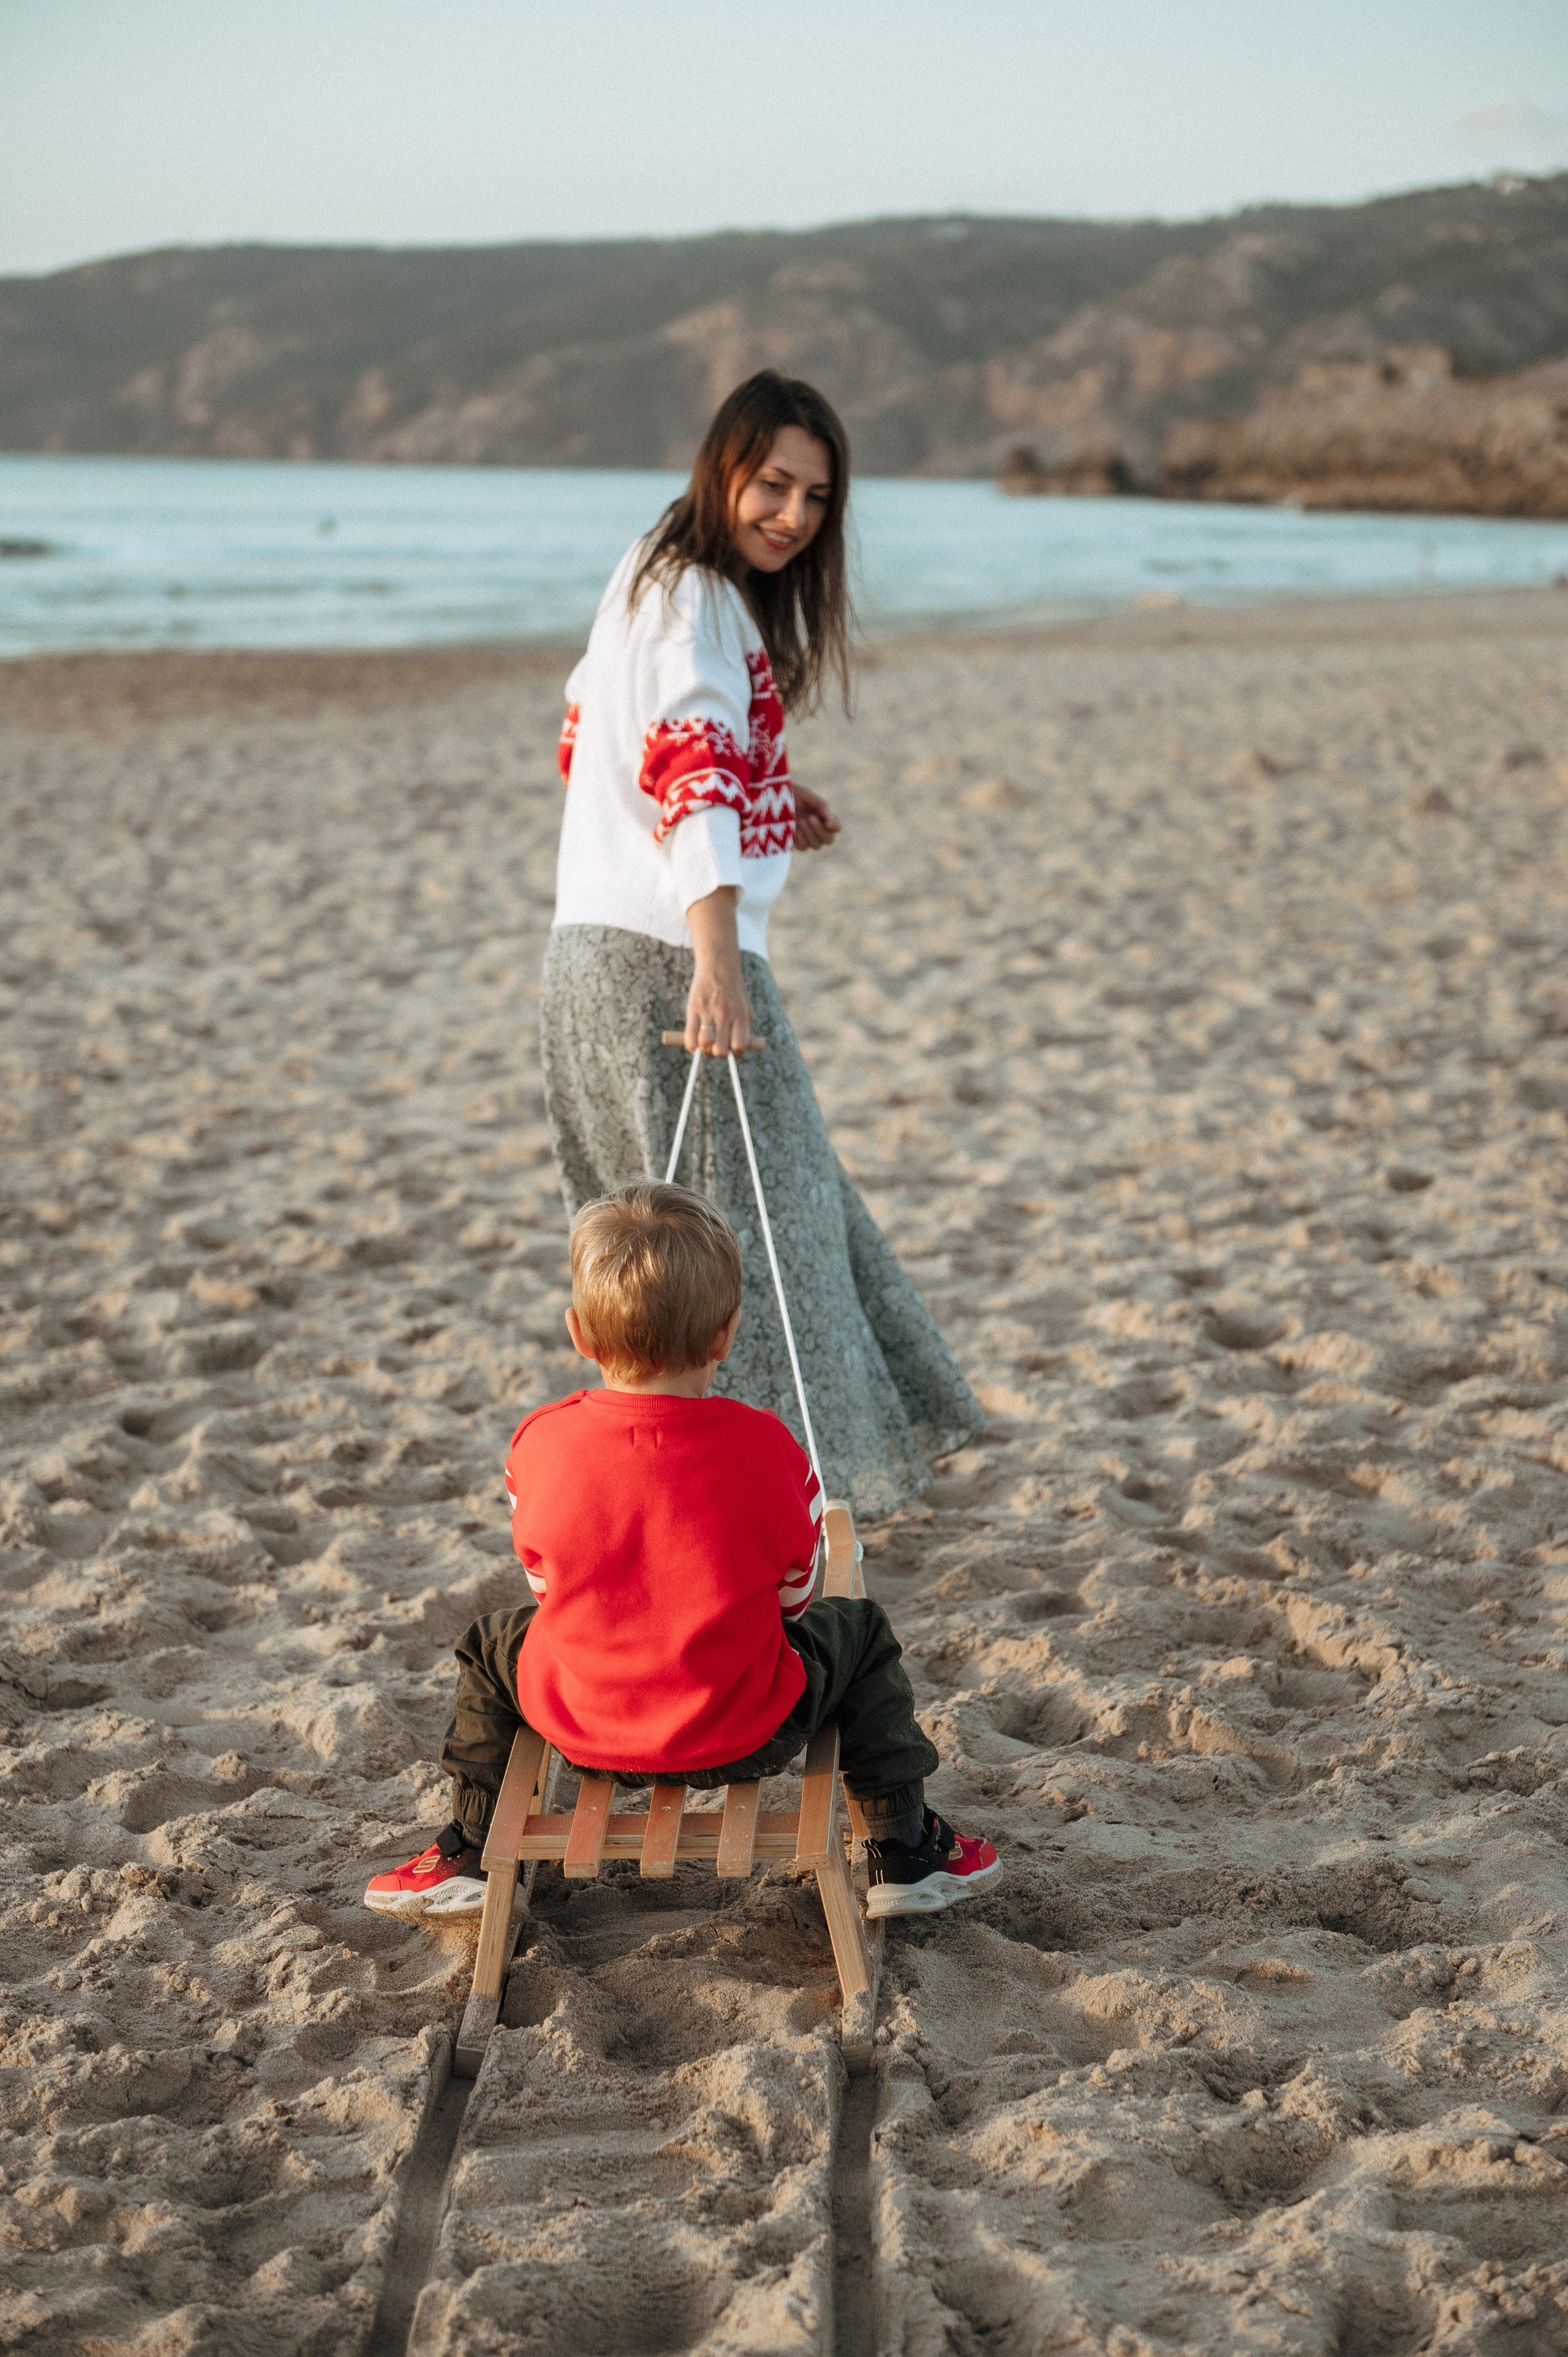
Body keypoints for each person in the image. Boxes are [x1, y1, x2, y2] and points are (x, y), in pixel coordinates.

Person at [541, 368, 982, 1517]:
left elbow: (590, 735)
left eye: (817, 497)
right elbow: (684, 773)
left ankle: (671, 1499)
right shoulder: (698, 599)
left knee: (668, 1259)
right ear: (723, 469)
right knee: (761, 1243)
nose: (792, 515)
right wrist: (719, 952)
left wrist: (773, 793)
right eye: (772, 484)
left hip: (585, 956)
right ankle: (776, 1503)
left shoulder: (648, 571)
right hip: (664, 962)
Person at [364, 1185, 1000, 1923]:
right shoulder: (768, 1447)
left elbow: (545, 1581)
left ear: (578, 1332)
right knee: (857, 1631)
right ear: (727, 1335)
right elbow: (796, 1593)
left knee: (488, 1644)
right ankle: (905, 1847)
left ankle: (469, 1847)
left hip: (583, 1729)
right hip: (746, 1729)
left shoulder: (538, 1442)